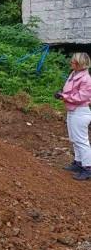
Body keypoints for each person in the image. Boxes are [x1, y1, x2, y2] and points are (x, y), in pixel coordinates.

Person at [54, 52, 91, 181]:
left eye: (73, 61)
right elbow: (71, 90)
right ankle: (78, 162)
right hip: (72, 110)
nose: (71, 63)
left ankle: (88, 168)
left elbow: (82, 97)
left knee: (81, 140)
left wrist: (64, 96)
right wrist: (61, 93)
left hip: (80, 111)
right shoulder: (74, 74)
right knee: (74, 138)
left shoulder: (86, 79)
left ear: (80, 64)